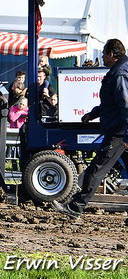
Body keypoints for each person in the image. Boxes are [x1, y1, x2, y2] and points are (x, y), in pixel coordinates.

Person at [52, 39, 128, 218]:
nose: (101, 56)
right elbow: (112, 104)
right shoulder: (117, 73)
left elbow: (125, 106)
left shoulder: (119, 75)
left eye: (103, 52)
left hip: (118, 133)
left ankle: (75, 207)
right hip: (120, 131)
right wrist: (92, 114)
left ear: (112, 54)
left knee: (96, 168)